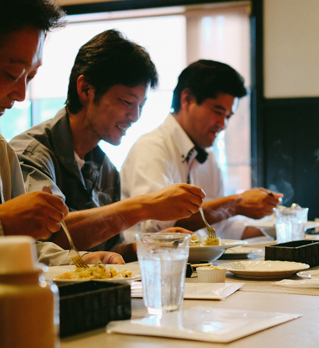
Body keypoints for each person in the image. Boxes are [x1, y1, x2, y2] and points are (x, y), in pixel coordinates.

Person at [0, 0, 125, 280]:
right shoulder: (31, 150)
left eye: (30, 77)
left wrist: (81, 261)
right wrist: (3, 221)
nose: (21, 94)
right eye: (11, 74)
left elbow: (18, 250)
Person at [10, 30, 205, 261]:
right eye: (127, 102)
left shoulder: (107, 169)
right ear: (86, 90)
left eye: (141, 105)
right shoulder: (30, 154)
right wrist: (145, 206)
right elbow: (51, 236)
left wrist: (154, 245)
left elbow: (109, 251)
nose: (134, 116)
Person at [121, 60, 282, 240]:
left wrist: (285, 226)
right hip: (146, 264)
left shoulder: (209, 157)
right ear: (187, 99)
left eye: (228, 116)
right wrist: (236, 203)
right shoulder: (152, 148)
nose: (223, 124)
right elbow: (158, 226)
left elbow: (222, 227)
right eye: (218, 111)